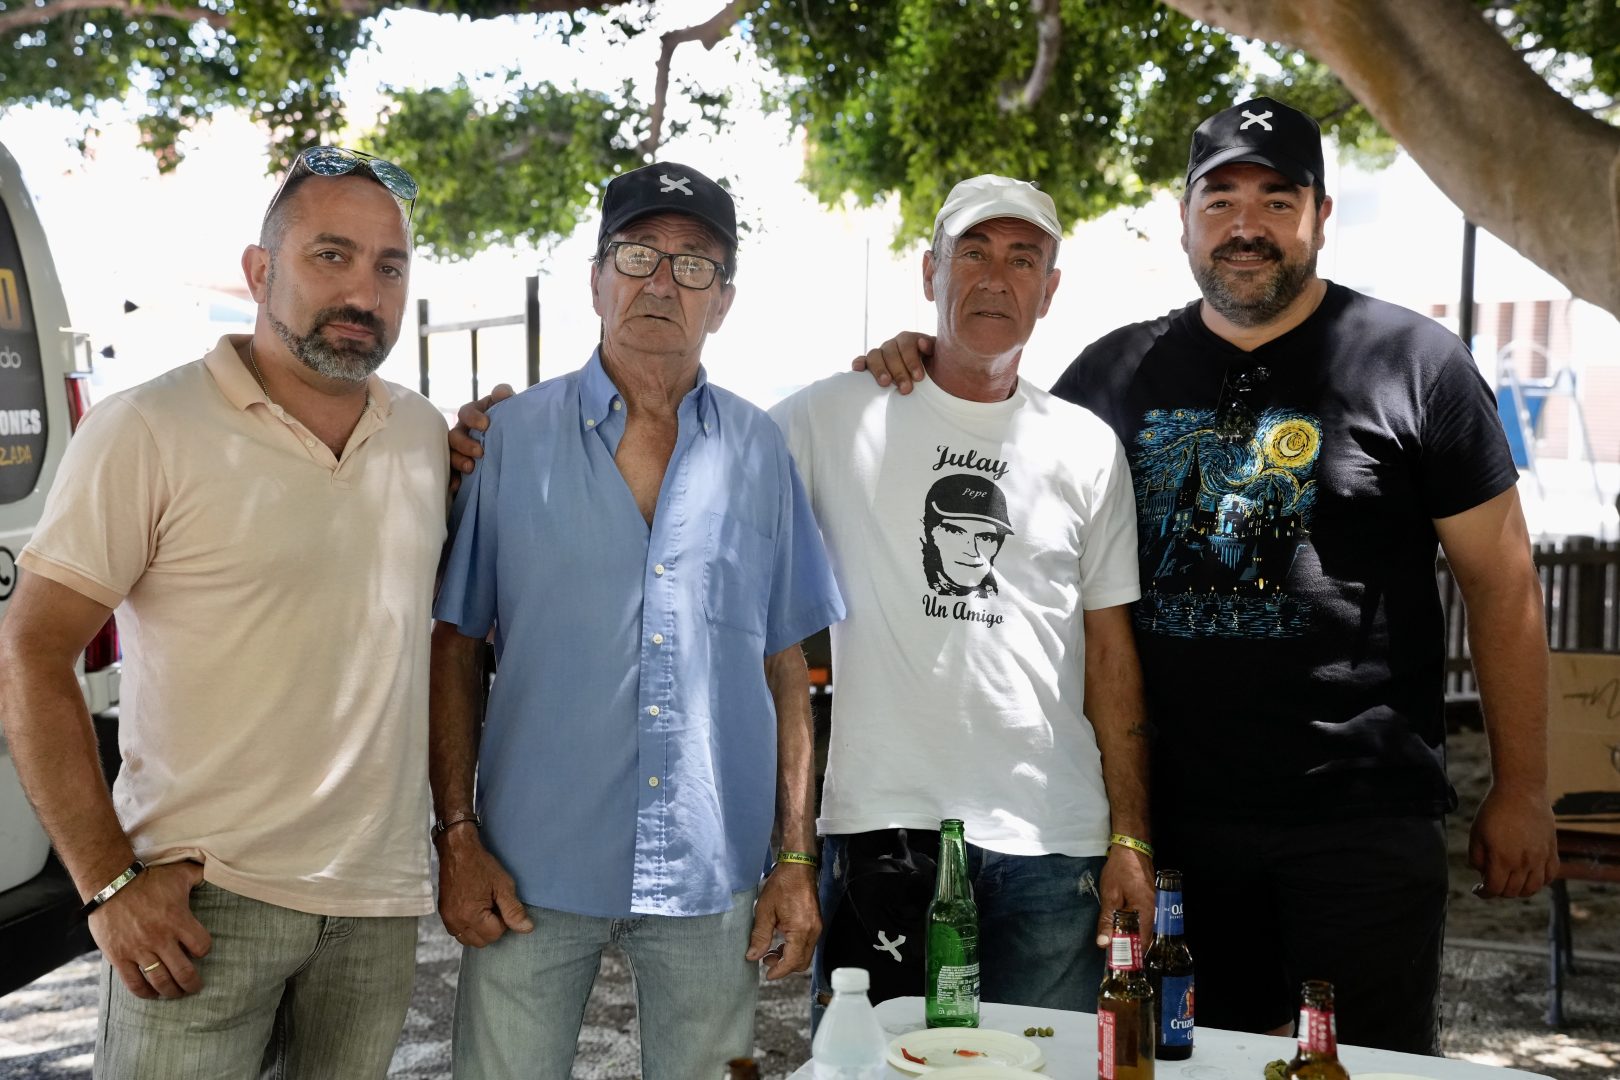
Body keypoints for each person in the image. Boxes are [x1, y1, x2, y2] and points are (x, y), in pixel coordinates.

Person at [856, 99, 1559, 1054]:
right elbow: (1001, 489)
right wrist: (917, 362)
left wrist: (1523, 788)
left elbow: (1503, 587)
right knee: (1180, 1060)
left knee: (1356, 1063)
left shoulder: (1416, 364)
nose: (1246, 226)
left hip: (1359, 817)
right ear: (1184, 220)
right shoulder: (1111, 375)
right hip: (1170, 823)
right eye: (1220, 200)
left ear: (1320, 217)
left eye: (1277, 201)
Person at [0, 146, 446, 1077]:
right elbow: (31, 652)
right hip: (200, 906)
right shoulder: (147, 427)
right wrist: (106, 884)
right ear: (260, 270)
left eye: (389, 266)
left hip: (376, 908)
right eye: (331, 255)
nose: (362, 292)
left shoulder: (423, 435)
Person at [429, 162, 845, 1080]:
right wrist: (455, 835)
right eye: (637, 254)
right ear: (596, 280)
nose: (661, 281)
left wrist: (795, 857)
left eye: (694, 264)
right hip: (527, 864)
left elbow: (788, 669)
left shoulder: (760, 450)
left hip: (710, 867)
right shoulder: (508, 441)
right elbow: (454, 646)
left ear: (723, 301)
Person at [768, 174, 1154, 1018]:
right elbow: (700, 466)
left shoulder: (1086, 447)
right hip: (885, 825)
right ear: (929, 272)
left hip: (1053, 841)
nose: (995, 278)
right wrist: (493, 439)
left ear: (1050, 290)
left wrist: (1130, 836)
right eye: (971, 253)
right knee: (877, 1069)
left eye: (1023, 259)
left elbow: (1109, 651)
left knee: (1040, 1070)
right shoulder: (834, 416)